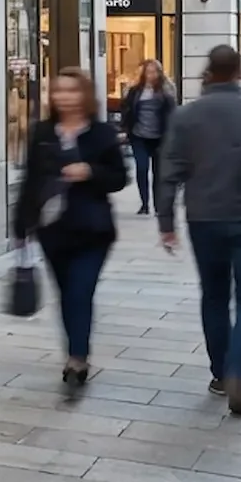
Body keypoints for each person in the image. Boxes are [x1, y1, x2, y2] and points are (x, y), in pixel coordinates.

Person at [13, 67, 128, 392]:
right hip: (53, 230)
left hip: (92, 230)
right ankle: (75, 349)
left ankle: (78, 357)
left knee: (80, 291)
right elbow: (31, 180)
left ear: (85, 95)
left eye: (72, 90)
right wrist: (21, 225)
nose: (64, 97)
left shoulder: (102, 133)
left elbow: (120, 178)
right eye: (59, 91)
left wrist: (90, 171)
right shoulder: (42, 132)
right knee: (66, 293)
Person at [157, 45, 241, 412]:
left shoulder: (186, 115)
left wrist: (166, 222)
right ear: (239, 72)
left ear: (209, 71)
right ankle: (239, 372)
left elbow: (169, 172)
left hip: (204, 218)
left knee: (214, 295)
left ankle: (220, 373)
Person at [120, 59, 176, 216]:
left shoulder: (166, 91)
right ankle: (144, 204)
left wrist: (171, 135)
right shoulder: (135, 91)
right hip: (139, 135)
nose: (151, 75)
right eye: (148, 72)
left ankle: (158, 206)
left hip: (159, 137)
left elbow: (172, 113)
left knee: (158, 172)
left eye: (154, 72)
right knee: (142, 167)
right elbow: (127, 109)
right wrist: (125, 128)